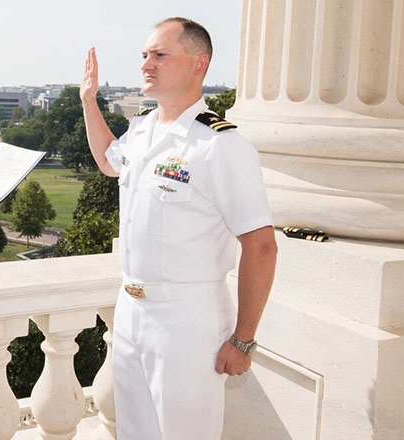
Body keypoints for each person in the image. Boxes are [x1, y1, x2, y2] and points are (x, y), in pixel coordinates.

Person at [80, 17, 278, 440]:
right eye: (145, 55)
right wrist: (88, 102)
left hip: (186, 321)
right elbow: (108, 163)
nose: (146, 64)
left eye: (160, 55)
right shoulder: (143, 128)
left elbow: (261, 246)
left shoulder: (220, 145)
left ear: (198, 63)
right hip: (132, 313)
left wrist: (243, 341)